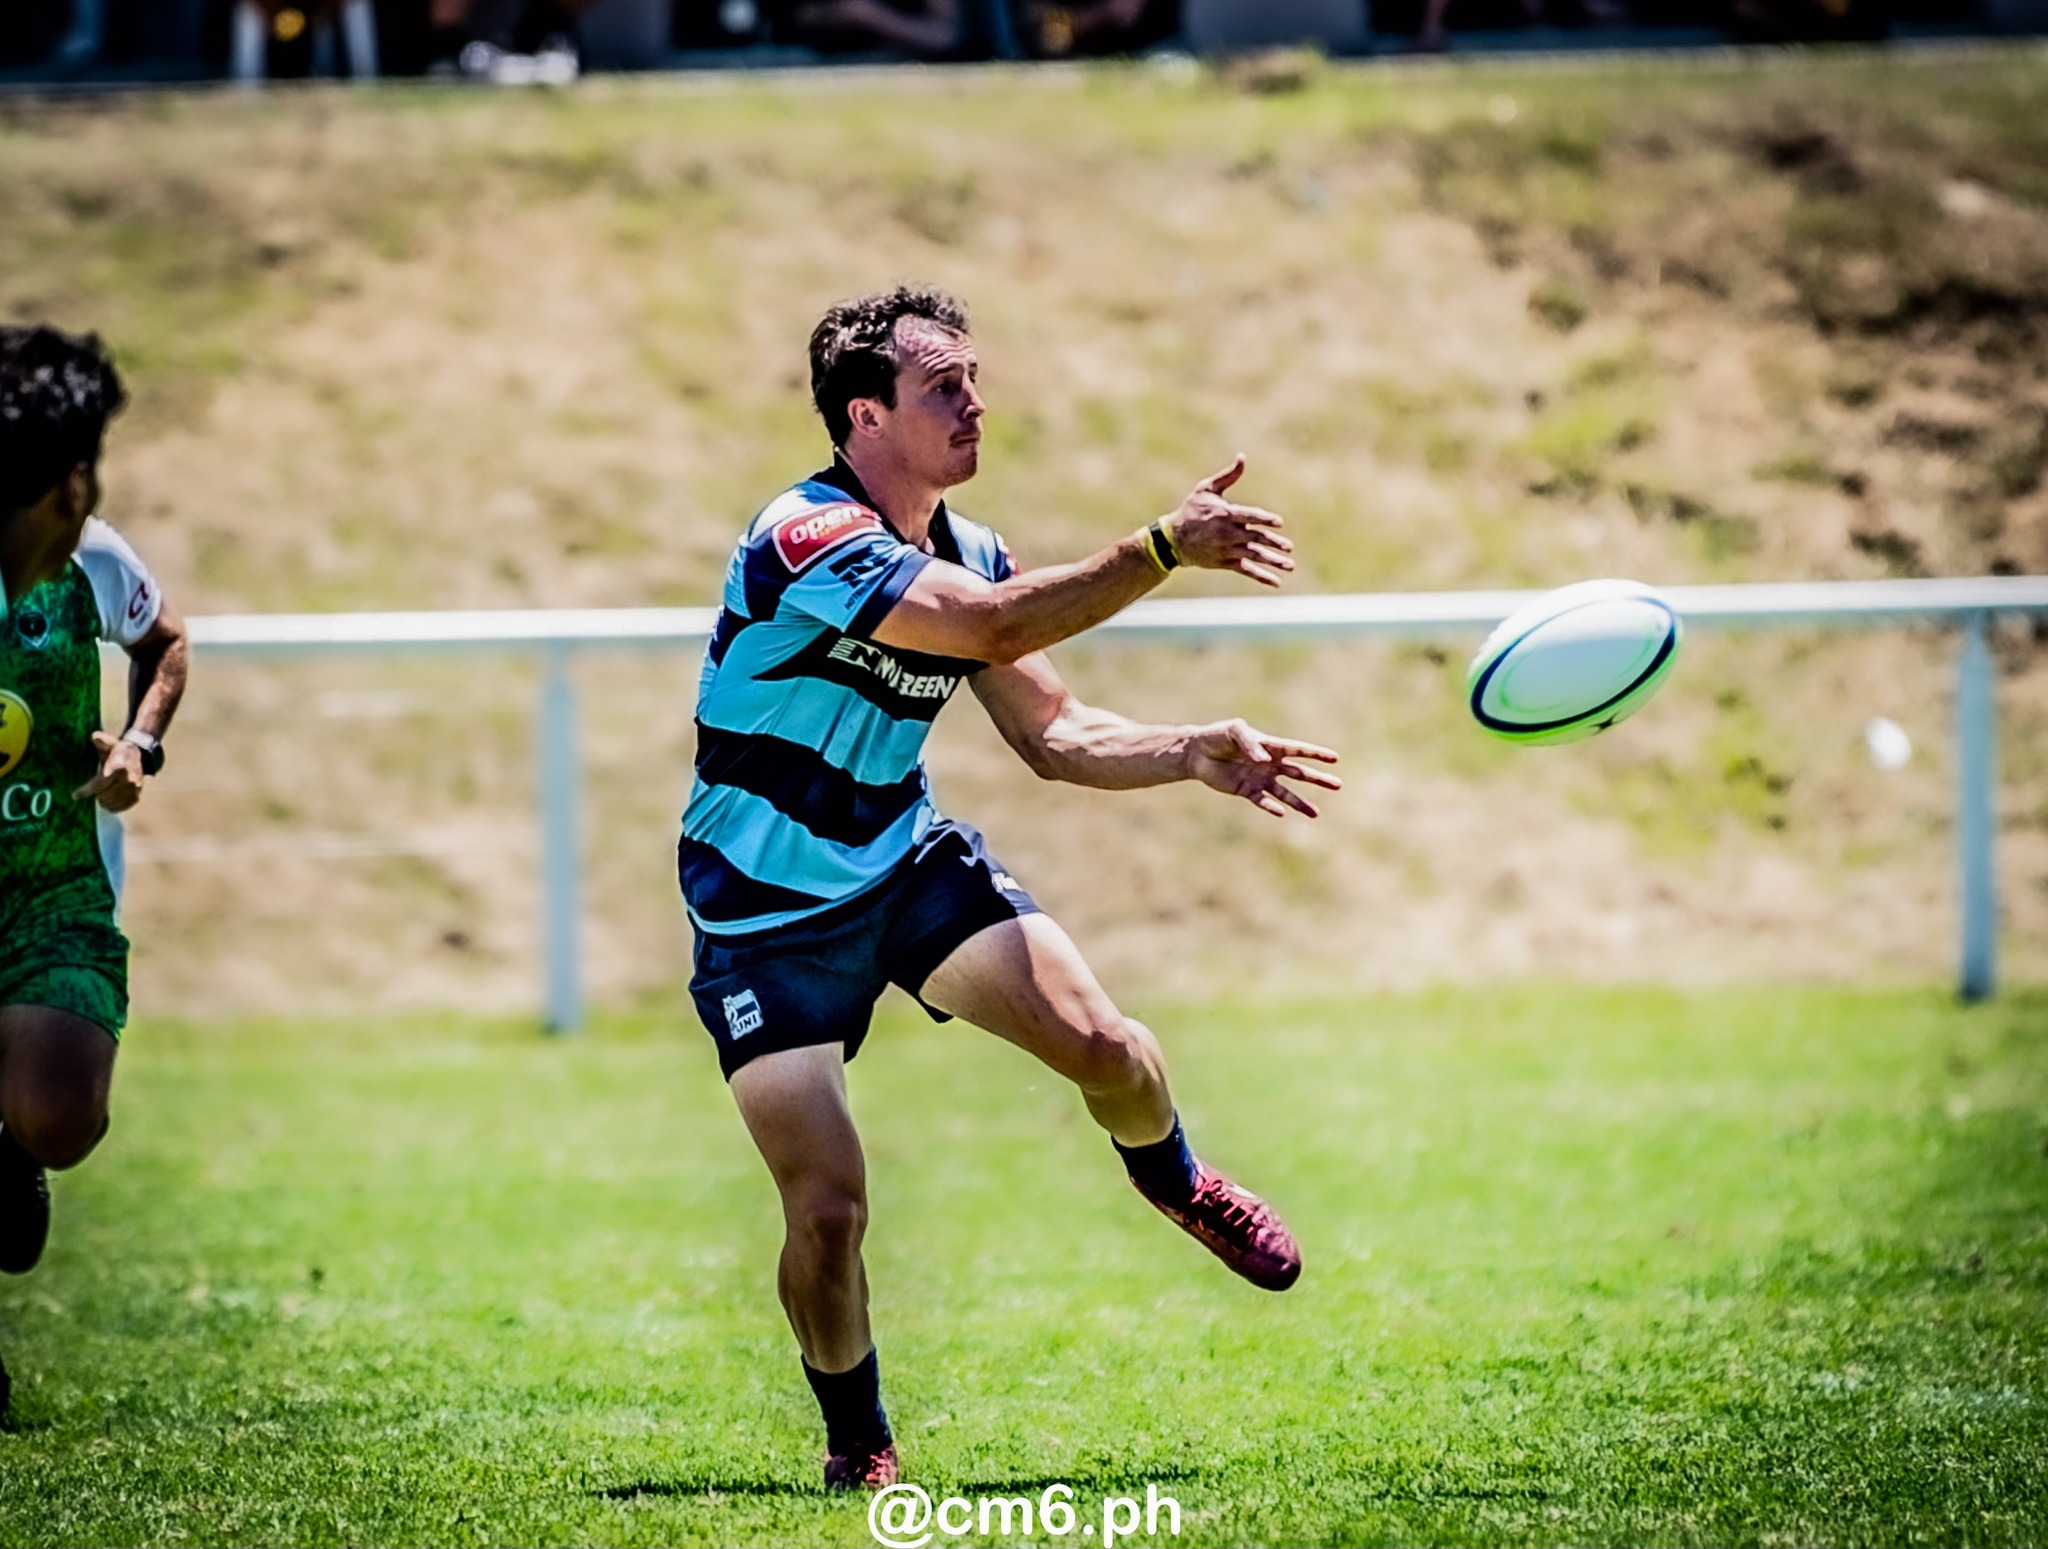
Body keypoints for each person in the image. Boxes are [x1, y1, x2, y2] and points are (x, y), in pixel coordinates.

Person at [680, 285, 1340, 1489]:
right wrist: (1157, 549)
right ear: (864, 415)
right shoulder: (804, 539)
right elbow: (983, 629)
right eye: (945, 386)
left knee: (1110, 1048)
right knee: (826, 1211)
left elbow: (1051, 728)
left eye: (974, 378)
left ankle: (1182, 1183)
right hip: (761, 914)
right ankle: (858, 1443)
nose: (974, 400)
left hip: (902, 862)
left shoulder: (970, 544)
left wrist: (1187, 749)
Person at [0, 327, 189, 1418]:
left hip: (51, 891)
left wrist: (136, 744)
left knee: (63, 1118)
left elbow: (166, 640)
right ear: (67, 479)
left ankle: (10, 1153)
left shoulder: (89, 562)